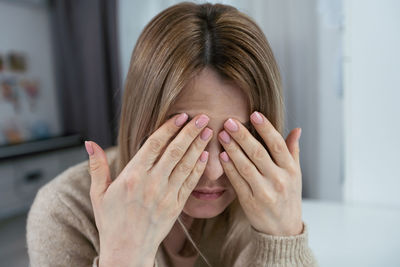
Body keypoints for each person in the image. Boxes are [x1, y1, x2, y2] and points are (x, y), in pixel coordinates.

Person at [26, 2, 318, 267]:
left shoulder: (263, 201)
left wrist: (284, 241)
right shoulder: (64, 211)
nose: (214, 171)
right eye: (188, 137)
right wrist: (125, 256)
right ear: (141, 120)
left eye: (238, 138)